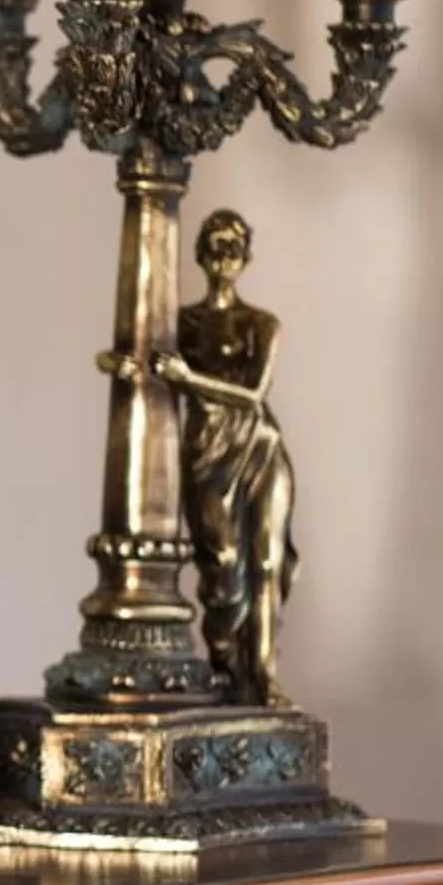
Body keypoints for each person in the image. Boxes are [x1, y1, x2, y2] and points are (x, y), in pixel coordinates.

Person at [155, 209, 299, 704]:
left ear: (246, 257)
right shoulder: (182, 324)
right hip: (207, 451)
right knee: (222, 565)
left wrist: (186, 378)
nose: (224, 257)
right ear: (200, 254)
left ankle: (262, 676)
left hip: (260, 445)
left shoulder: (263, 324)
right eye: (215, 246)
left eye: (233, 248)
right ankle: (225, 666)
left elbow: (255, 392)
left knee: (267, 562)